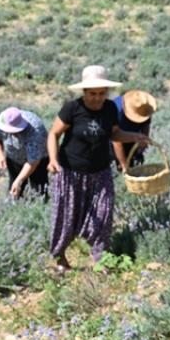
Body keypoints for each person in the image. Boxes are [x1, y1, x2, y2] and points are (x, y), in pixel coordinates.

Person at [46, 66, 150, 271]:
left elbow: (114, 134)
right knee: (67, 216)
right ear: (84, 92)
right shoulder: (72, 109)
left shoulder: (110, 108)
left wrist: (134, 137)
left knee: (104, 214)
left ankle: (100, 258)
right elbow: (53, 134)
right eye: (92, 94)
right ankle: (59, 257)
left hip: (101, 172)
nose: (97, 98)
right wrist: (52, 159)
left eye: (101, 93)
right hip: (71, 172)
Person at [0, 107, 49, 198]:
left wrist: (19, 181)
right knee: (14, 191)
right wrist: (0, 155)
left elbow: (33, 162)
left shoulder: (35, 130)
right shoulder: (2, 120)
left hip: (38, 161)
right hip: (14, 158)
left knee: (39, 191)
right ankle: (15, 205)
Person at [111, 90, 157, 172]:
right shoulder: (116, 111)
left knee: (135, 166)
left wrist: (142, 144)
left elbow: (145, 126)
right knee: (117, 168)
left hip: (132, 137)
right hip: (110, 140)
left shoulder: (144, 107)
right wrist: (124, 165)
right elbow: (116, 140)